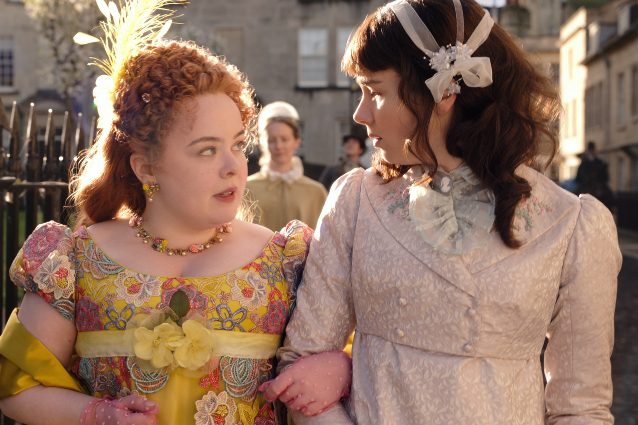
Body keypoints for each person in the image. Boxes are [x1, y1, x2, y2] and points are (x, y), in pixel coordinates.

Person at [264, 0, 622, 424]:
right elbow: (302, 366)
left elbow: (581, 408)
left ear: (445, 92)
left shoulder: (571, 225)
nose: (360, 114)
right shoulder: (356, 201)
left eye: (375, 92)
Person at [0, 2, 349, 424]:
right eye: (207, 150)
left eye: (237, 144)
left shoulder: (286, 260)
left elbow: (366, 352)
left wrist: (340, 366)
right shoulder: (76, 261)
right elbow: (17, 386)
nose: (233, 166)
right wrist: (97, 414)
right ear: (146, 167)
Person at [246, 101, 327, 231]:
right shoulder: (247, 189)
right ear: (261, 143)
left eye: (284, 139)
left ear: (297, 142)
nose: (278, 146)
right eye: (272, 140)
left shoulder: (316, 192)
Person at [575, 141, 614, 208]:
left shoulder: (600, 163)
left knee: (609, 195)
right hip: (585, 185)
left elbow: (605, 177)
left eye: (592, 151)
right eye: (590, 151)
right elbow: (578, 177)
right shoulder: (584, 164)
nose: (591, 153)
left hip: (598, 184)